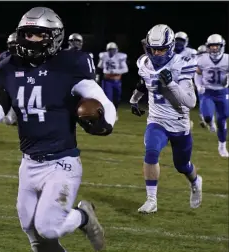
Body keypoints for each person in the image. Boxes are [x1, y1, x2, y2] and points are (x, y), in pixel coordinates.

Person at [0, 7, 116, 252]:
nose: (31, 40)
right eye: (27, 34)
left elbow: (101, 99)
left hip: (61, 162)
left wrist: (106, 121)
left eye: (38, 34)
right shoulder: (8, 66)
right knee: (33, 233)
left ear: (54, 37)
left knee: (49, 228)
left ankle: (84, 216)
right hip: (29, 163)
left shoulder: (70, 63)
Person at [130, 24, 202, 214]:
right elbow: (143, 82)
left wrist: (170, 83)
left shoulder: (183, 63)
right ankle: (151, 200)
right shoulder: (144, 63)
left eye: (162, 49)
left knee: (182, 166)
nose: (157, 53)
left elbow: (190, 102)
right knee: (151, 152)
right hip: (157, 120)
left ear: (170, 47)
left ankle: (195, 182)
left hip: (179, 123)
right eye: (154, 49)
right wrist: (134, 100)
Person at [195, 34, 229, 157]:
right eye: (212, 46)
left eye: (216, 46)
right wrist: (199, 86)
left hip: (222, 92)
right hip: (208, 92)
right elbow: (197, 74)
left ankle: (222, 146)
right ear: (208, 47)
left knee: (223, 119)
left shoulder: (227, 59)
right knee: (208, 116)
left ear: (221, 46)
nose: (214, 48)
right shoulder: (203, 59)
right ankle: (210, 123)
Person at [97, 42, 128, 121]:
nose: (111, 51)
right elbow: (99, 66)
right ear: (107, 50)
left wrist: (115, 71)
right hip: (107, 80)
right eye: (110, 50)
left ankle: (115, 111)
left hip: (117, 80)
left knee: (117, 98)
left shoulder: (120, 57)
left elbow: (125, 69)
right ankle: (108, 114)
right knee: (108, 98)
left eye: (113, 49)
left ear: (116, 50)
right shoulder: (104, 56)